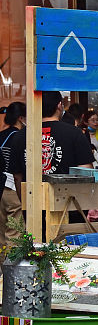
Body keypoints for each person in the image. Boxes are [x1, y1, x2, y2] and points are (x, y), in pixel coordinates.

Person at [41, 91, 93, 176]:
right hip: (68, 189)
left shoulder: (22, 135)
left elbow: (17, 178)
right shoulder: (75, 133)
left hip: (31, 189)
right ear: (59, 105)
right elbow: (86, 171)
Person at [0, 103, 26, 244]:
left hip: (1, 185)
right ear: (21, 118)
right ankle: (12, 264)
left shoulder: (2, 134)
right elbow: (16, 172)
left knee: (2, 230)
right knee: (14, 230)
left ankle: (2, 264)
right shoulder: (18, 137)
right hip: (10, 186)